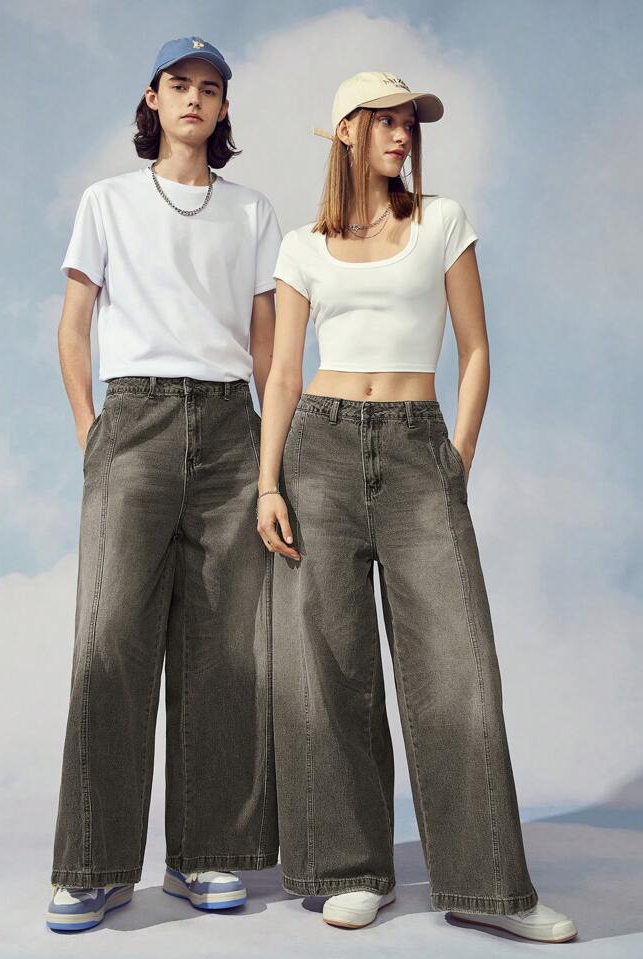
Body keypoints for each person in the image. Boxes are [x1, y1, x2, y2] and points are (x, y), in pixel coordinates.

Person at [256, 71, 577, 943]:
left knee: (457, 665)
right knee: (331, 667)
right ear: (346, 132)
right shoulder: (302, 245)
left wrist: (456, 457)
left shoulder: (443, 221)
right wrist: (268, 482)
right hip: (318, 452)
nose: (403, 135)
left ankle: (489, 886)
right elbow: (282, 374)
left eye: (410, 123)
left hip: (417, 448)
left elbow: (476, 350)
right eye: (387, 122)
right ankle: (350, 869)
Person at [46, 36, 282, 932]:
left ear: (223, 108)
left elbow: (267, 345)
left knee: (223, 646)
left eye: (209, 88)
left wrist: (271, 458)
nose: (194, 99)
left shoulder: (251, 211)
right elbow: (74, 325)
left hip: (230, 428)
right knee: (110, 638)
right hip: (134, 421)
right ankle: (91, 865)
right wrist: (91, 428)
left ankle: (203, 853)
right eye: (179, 85)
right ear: (152, 99)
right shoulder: (107, 201)